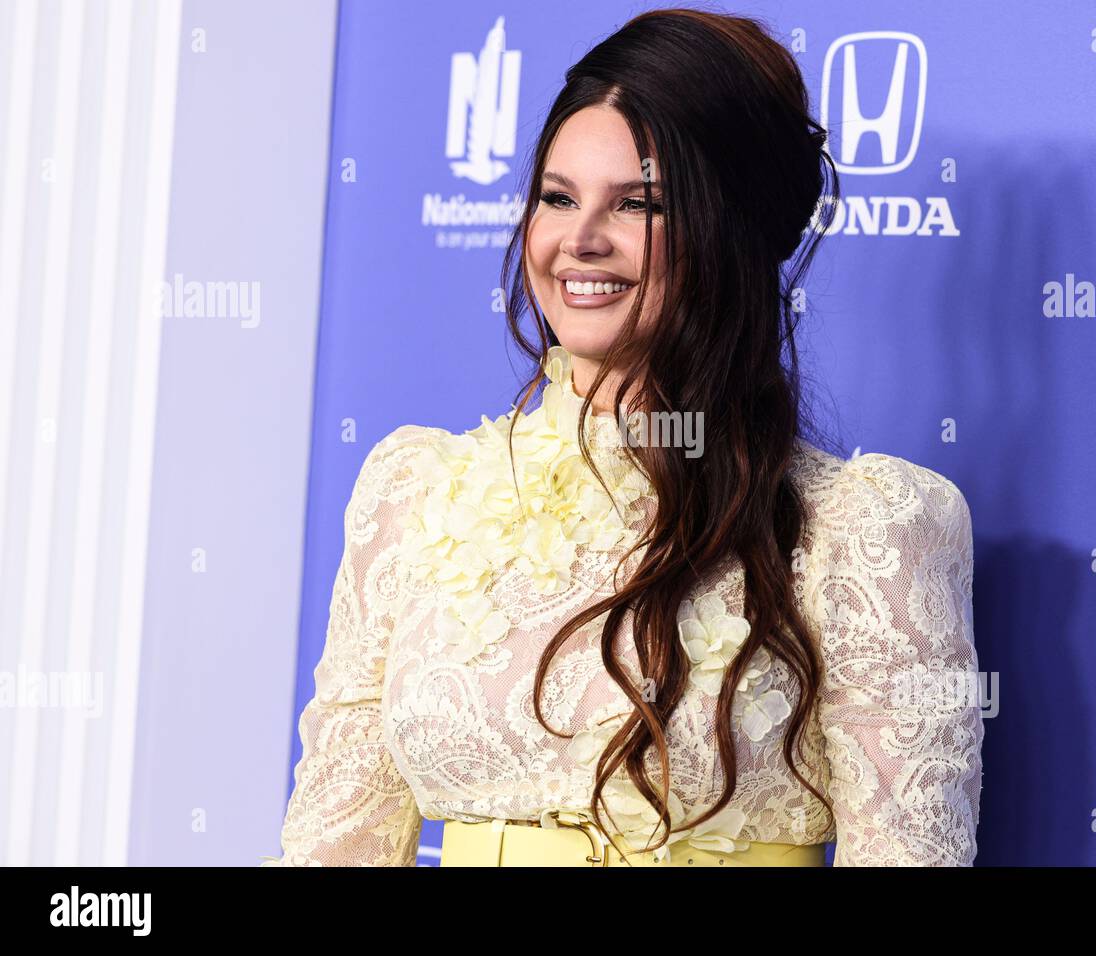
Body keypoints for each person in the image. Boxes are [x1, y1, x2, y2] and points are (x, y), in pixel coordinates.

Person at [262, 7, 983, 867]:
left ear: (732, 231)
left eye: (638, 204)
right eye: (558, 197)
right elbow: (330, 850)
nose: (581, 241)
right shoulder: (413, 494)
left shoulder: (866, 529)